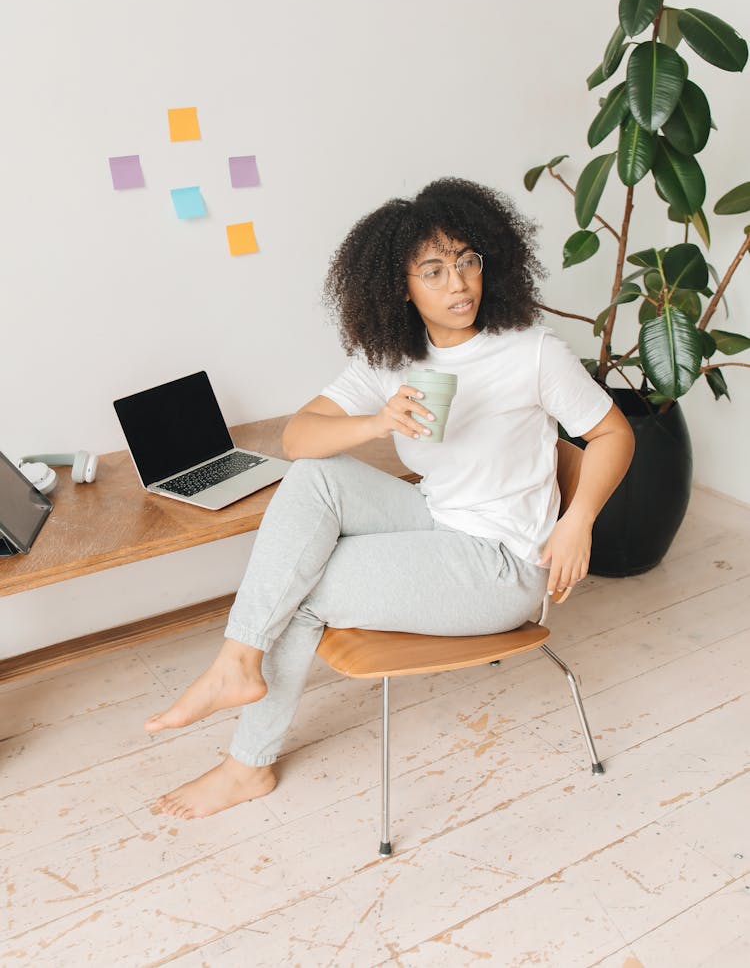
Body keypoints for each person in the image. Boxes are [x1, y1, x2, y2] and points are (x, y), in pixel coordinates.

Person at [146, 177, 634, 819]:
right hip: (437, 520)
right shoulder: (392, 360)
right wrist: (376, 423)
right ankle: (239, 662)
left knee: (302, 583)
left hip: (501, 565)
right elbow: (298, 438)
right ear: (400, 287)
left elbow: (612, 432)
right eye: (433, 270)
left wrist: (580, 519)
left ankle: (247, 762)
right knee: (314, 478)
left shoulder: (531, 354)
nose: (457, 284)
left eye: (466, 262)